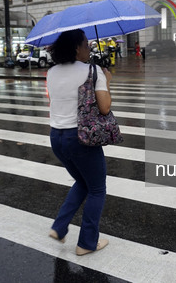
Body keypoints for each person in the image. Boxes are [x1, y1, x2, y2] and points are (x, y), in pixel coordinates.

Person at [47, 29, 112, 256]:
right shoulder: (93, 71)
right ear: (76, 47)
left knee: (83, 183)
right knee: (96, 188)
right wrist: (107, 81)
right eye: (86, 44)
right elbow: (104, 108)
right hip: (82, 138)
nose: (89, 47)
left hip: (57, 137)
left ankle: (59, 226)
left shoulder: (52, 72)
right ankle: (86, 243)